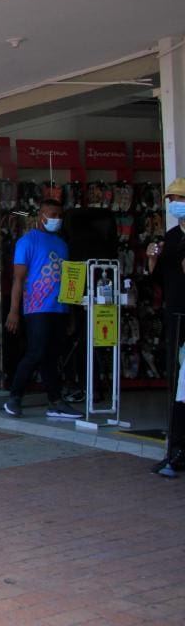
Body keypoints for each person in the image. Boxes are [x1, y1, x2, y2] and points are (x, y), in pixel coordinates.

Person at [4, 198, 84, 420]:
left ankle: (55, 401)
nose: (56, 219)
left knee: (52, 356)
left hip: (59, 309)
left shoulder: (62, 244)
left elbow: (69, 280)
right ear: (41, 215)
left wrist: (70, 314)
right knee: (36, 352)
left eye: (59, 215)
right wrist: (14, 311)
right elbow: (18, 280)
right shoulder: (27, 242)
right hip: (36, 307)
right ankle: (14, 397)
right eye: (52, 215)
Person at [149, 177, 185, 476]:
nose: (175, 204)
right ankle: (175, 450)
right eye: (172, 199)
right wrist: (152, 261)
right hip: (175, 316)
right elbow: (158, 278)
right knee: (177, 383)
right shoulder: (172, 237)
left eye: (180, 198)